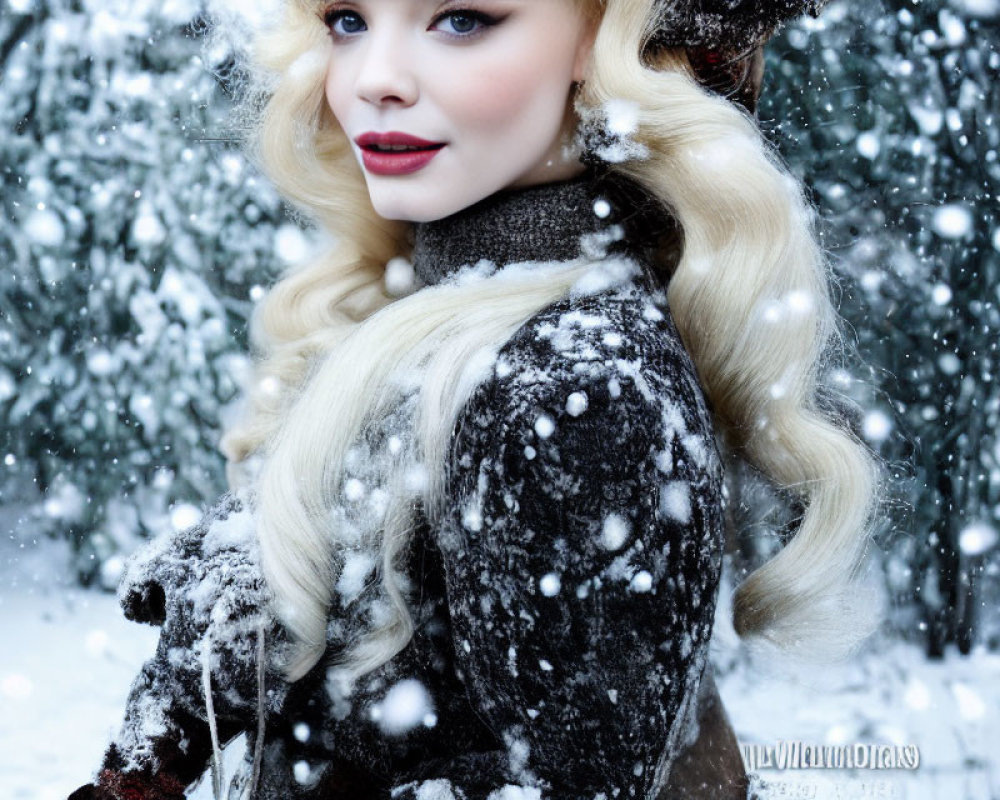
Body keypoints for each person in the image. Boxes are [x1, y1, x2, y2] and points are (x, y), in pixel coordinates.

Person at [71, 0, 881, 798]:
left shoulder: (577, 396)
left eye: (461, 18)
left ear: (600, 36)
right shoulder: (449, 318)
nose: (375, 79)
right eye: (348, 19)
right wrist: (153, 758)